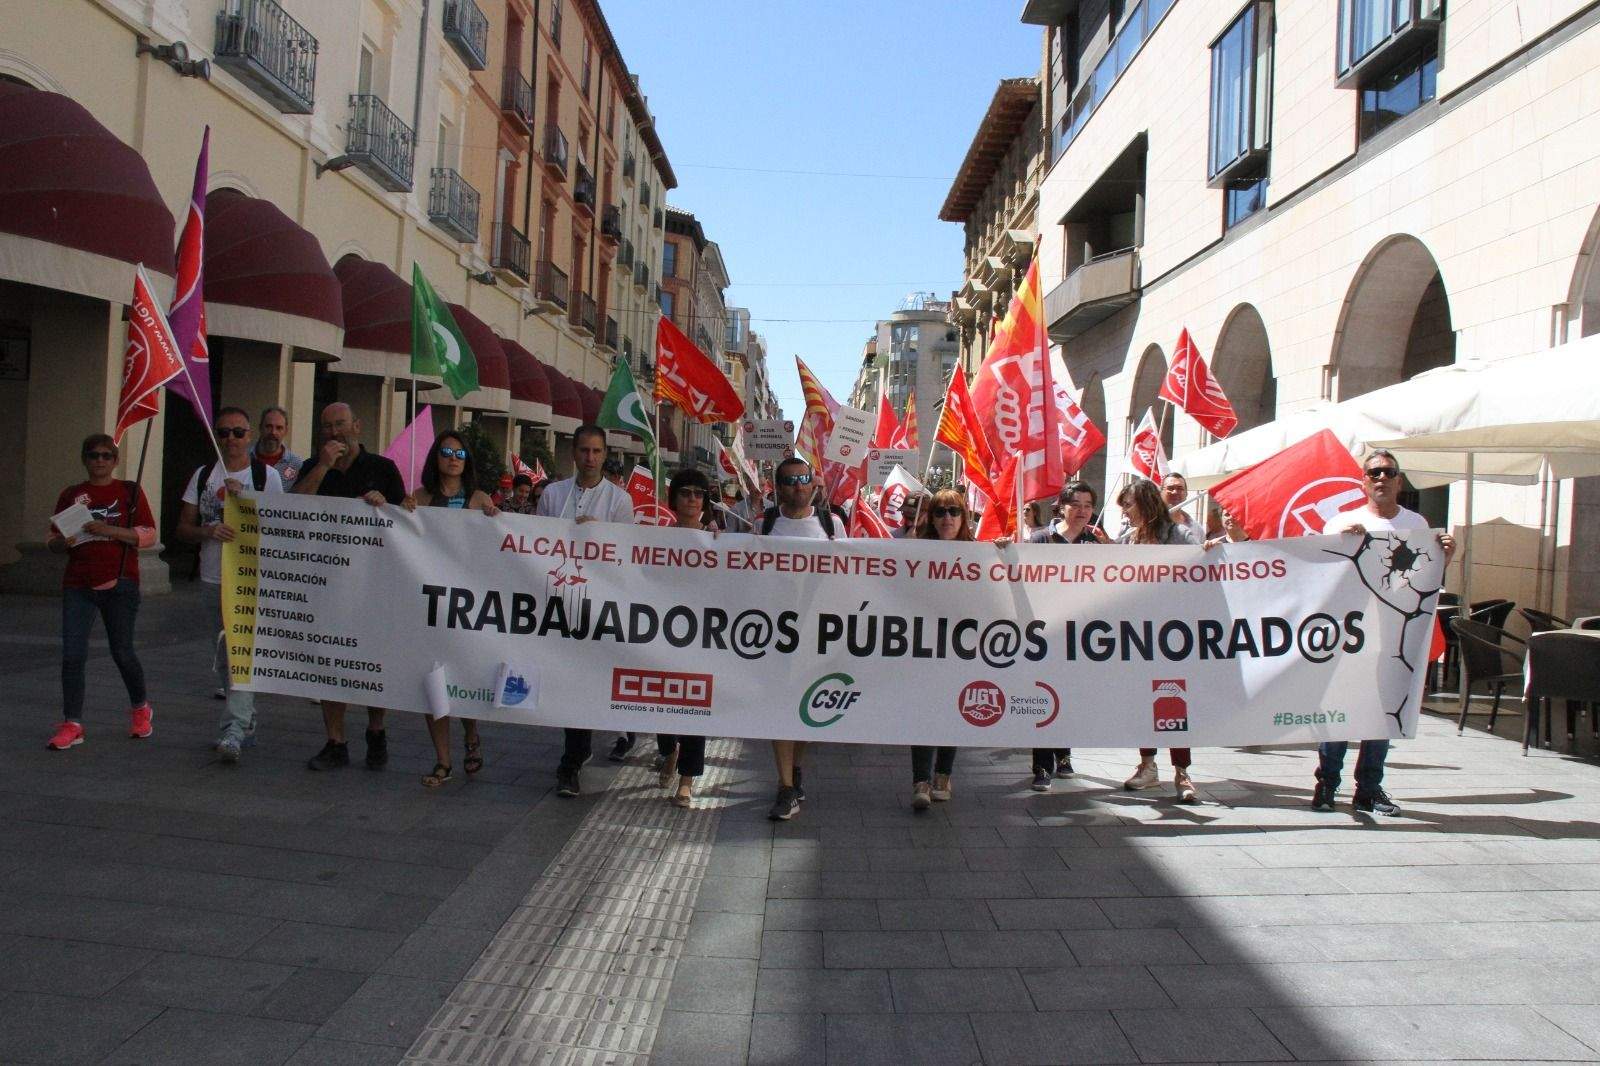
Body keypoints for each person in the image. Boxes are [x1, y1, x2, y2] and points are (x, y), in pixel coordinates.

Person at [1314, 448, 1456, 816]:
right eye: (1373, 473)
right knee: (1339, 711)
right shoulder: (1341, 522)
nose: (1381, 478)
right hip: (1350, 635)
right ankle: (1327, 784)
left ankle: (1369, 788)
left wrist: (1446, 557)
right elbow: (1320, 575)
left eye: (1388, 472)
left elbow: (1424, 578)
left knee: (1383, 710)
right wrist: (1343, 544)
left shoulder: (1417, 525)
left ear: (1399, 481)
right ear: (1363, 481)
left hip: (1394, 634)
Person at [294, 402, 406, 771]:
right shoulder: (313, 466)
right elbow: (294, 509)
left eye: (340, 424)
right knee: (329, 660)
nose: (334, 432)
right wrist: (324, 465)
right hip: (326, 579)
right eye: (326, 426)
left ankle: (376, 731)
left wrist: (382, 504)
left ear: (357, 425)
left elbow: (405, 518)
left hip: (372, 580)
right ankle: (335, 740)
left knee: (373, 659)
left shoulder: (382, 469)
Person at [176, 406, 284, 762]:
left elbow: (280, 528)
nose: (231, 439)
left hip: (249, 579)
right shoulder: (204, 475)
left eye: (238, 432)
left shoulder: (266, 476)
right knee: (224, 655)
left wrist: (245, 502)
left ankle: (233, 730)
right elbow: (183, 528)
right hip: (212, 576)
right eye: (224, 433)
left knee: (242, 655)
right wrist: (208, 531)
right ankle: (246, 719)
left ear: (250, 436)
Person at [537, 424, 636, 797]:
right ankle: (572, 758)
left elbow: (627, 551)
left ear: (604, 453)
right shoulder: (553, 494)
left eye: (596, 452)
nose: (590, 458)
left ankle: (588, 746)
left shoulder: (618, 501)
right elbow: (535, 541)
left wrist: (599, 536)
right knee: (568, 678)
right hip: (561, 600)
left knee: (593, 678)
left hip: (600, 604)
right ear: (574, 453)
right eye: (583, 451)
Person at [45, 433, 156, 750]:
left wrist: (109, 530)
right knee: (73, 655)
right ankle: (72, 722)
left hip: (120, 582)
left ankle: (140, 707)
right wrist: (60, 543)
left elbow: (147, 534)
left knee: (122, 651)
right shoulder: (71, 494)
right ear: (84, 459)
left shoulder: (129, 491)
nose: (100, 461)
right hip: (78, 582)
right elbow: (52, 538)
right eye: (94, 455)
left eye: (107, 455)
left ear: (115, 460)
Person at [403, 430, 499, 787]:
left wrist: (494, 519)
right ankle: (442, 761)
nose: (452, 458)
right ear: (435, 458)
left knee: (465, 678)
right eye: (445, 452)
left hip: (464, 605)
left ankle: (471, 733)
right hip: (427, 602)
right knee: (433, 681)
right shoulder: (420, 497)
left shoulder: (477, 499)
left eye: (459, 453)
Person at [759, 456, 846, 820]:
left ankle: (794, 768)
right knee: (780, 706)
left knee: (806, 709)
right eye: (791, 480)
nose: (798, 485)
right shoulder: (764, 523)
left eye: (804, 478)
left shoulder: (831, 524)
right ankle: (784, 786)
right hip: (775, 633)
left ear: (813, 484)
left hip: (818, 633)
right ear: (778, 487)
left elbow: (850, 571)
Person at [1116, 478, 1202, 803]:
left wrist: (1205, 551)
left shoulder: (1177, 535)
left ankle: (1182, 771)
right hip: (1137, 633)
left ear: (1145, 503)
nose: (1125, 511)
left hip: (1172, 633)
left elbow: (1200, 563)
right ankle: (1147, 766)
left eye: (1129, 504)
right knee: (1143, 701)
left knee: (1173, 699)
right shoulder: (1127, 540)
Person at [1026, 481, 1110, 790]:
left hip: (1082, 634)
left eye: (1089, 505)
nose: (1083, 511)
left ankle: (1064, 754)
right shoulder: (1040, 540)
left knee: (1071, 695)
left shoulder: (1096, 542)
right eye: (1077, 504)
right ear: (1062, 505)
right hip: (1046, 634)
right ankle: (1042, 765)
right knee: (1044, 696)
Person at [655, 468, 718, 808]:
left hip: (700, 637)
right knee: (661, 703)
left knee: (694, 706)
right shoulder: (659, 537)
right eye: (686, 493)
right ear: (675, 499)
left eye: (699, 493)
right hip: (662, 634)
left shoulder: (718, 540)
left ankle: (687, 779)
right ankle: (667, 750)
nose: (693, 499)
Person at [907, 488, 973, 809]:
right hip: (922, 645)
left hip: (961, 647)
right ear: (930, 518)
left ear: (964, 517)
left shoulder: (979, 553)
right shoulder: (915, 551)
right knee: (922, 708)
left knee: (954, 709)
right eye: (940, 512)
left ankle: (943, 775)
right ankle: (921, 780)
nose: (947, 518)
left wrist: (1005, 552)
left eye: (954, 511)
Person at [254, 405, 303, 488]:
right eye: (268, 427)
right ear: (260, 428)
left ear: (286, 431)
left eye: (279, 428)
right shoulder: (245, 458)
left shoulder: (296, 464)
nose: (273, 432)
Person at [1161, 472, 1217, 543]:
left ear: (1186, 494)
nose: (1175, 492)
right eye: (1170, 488)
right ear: (1161, 492)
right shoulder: (1149, 525)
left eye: (1180, 488)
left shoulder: (1197, 529)